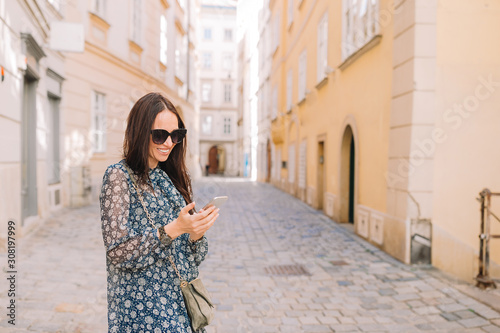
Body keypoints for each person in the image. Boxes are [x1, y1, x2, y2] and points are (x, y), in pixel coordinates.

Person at [99, 92, 219, 333]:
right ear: (139, 132)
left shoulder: (170, 178)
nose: (168, 143)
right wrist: (175, 228)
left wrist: (195, 233)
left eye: (176, 135)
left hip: (180, 308)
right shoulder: (119, 177)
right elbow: (117, 251)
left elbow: (192, 258)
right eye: (159, 135)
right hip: (143, 312)